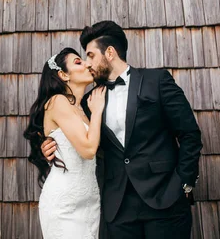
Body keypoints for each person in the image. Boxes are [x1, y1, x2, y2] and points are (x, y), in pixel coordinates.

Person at [42, 21, 202, 239]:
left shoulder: (156, 81)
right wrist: (50, 145)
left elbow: (189, 133)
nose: (88, 63)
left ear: (109, 52)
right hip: (118, 208)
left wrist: (184, 183)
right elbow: (74, 134)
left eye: (90, 55)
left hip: (165, 199)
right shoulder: (89, 102)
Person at [23, 47, 107, 239]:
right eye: (78, 62)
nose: (87, 64)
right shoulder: (57, 101)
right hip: (64, 205)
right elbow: (87, 150)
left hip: (90, 203)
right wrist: (98, 112)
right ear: (63, 74)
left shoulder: (83, 107)